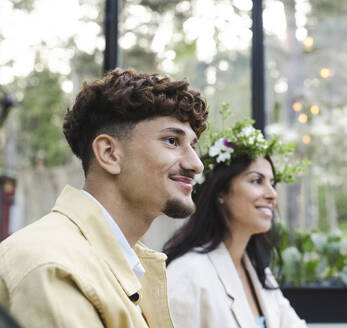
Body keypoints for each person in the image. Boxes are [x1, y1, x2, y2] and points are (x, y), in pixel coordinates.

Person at [0, 68, 208, 328]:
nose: (196, 164)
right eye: (171, 140)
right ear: (109, 153)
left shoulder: (129, 262)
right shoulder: (52, 266)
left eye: (193, 145)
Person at [163, 118, 307, 328]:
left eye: (272, 183)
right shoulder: (187, 275)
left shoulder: (259, 273)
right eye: (257, 181)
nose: (272, 194)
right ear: (221, 192)